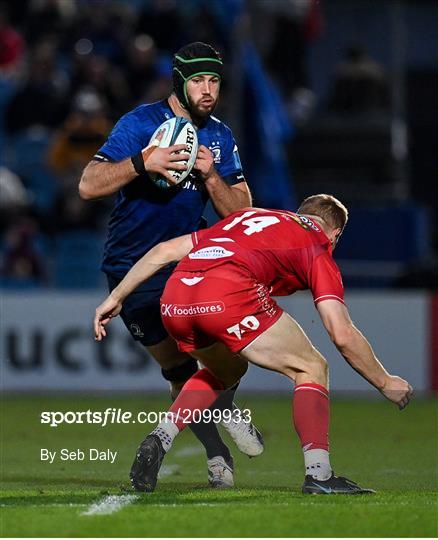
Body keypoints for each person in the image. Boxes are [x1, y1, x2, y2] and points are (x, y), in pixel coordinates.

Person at [94, 194, 413, 494]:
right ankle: (319, 474)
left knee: (227, 369)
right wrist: (385, 382)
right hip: (227, 293)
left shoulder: (249, 217)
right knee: (312, 367)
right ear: (335, 234)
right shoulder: (316, 245)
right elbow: (340, 332)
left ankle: (161, 436)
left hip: (176, 297)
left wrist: (115, 298)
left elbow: (163, 252)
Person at [79, 42, 263, 488]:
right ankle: (219, 442)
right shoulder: (139, 123)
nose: (208, 90)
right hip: (131, 268)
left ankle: (214, 428)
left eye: (214, 80)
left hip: (189, 264)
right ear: (179, 81)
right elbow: (88, 185)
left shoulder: (218, 136)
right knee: (180, 372)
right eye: (198, 80)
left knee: (226, 358)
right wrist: (144, 162)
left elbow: (241, 214)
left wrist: (212, 175)